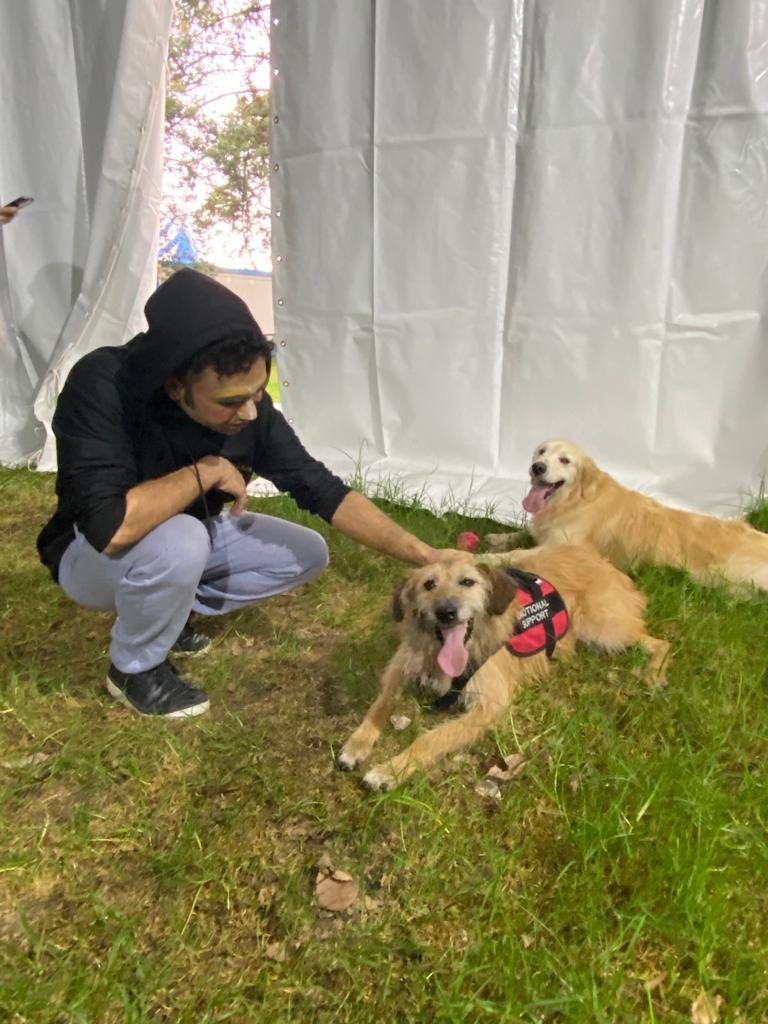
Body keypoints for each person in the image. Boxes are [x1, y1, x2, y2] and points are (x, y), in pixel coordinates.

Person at [37, 269, 468, 718]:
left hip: (184, 537)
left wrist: (424, 554)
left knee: (305, 552)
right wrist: (204, 472)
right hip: (87, 552)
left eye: (259, 392)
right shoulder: (103, 385)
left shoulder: (251, 410)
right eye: (228, 402)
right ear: (174, 386)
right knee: (181, 539)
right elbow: (111, 527)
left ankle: (168, 610)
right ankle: (134, 667)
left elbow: (321, 488)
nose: (248, 411)